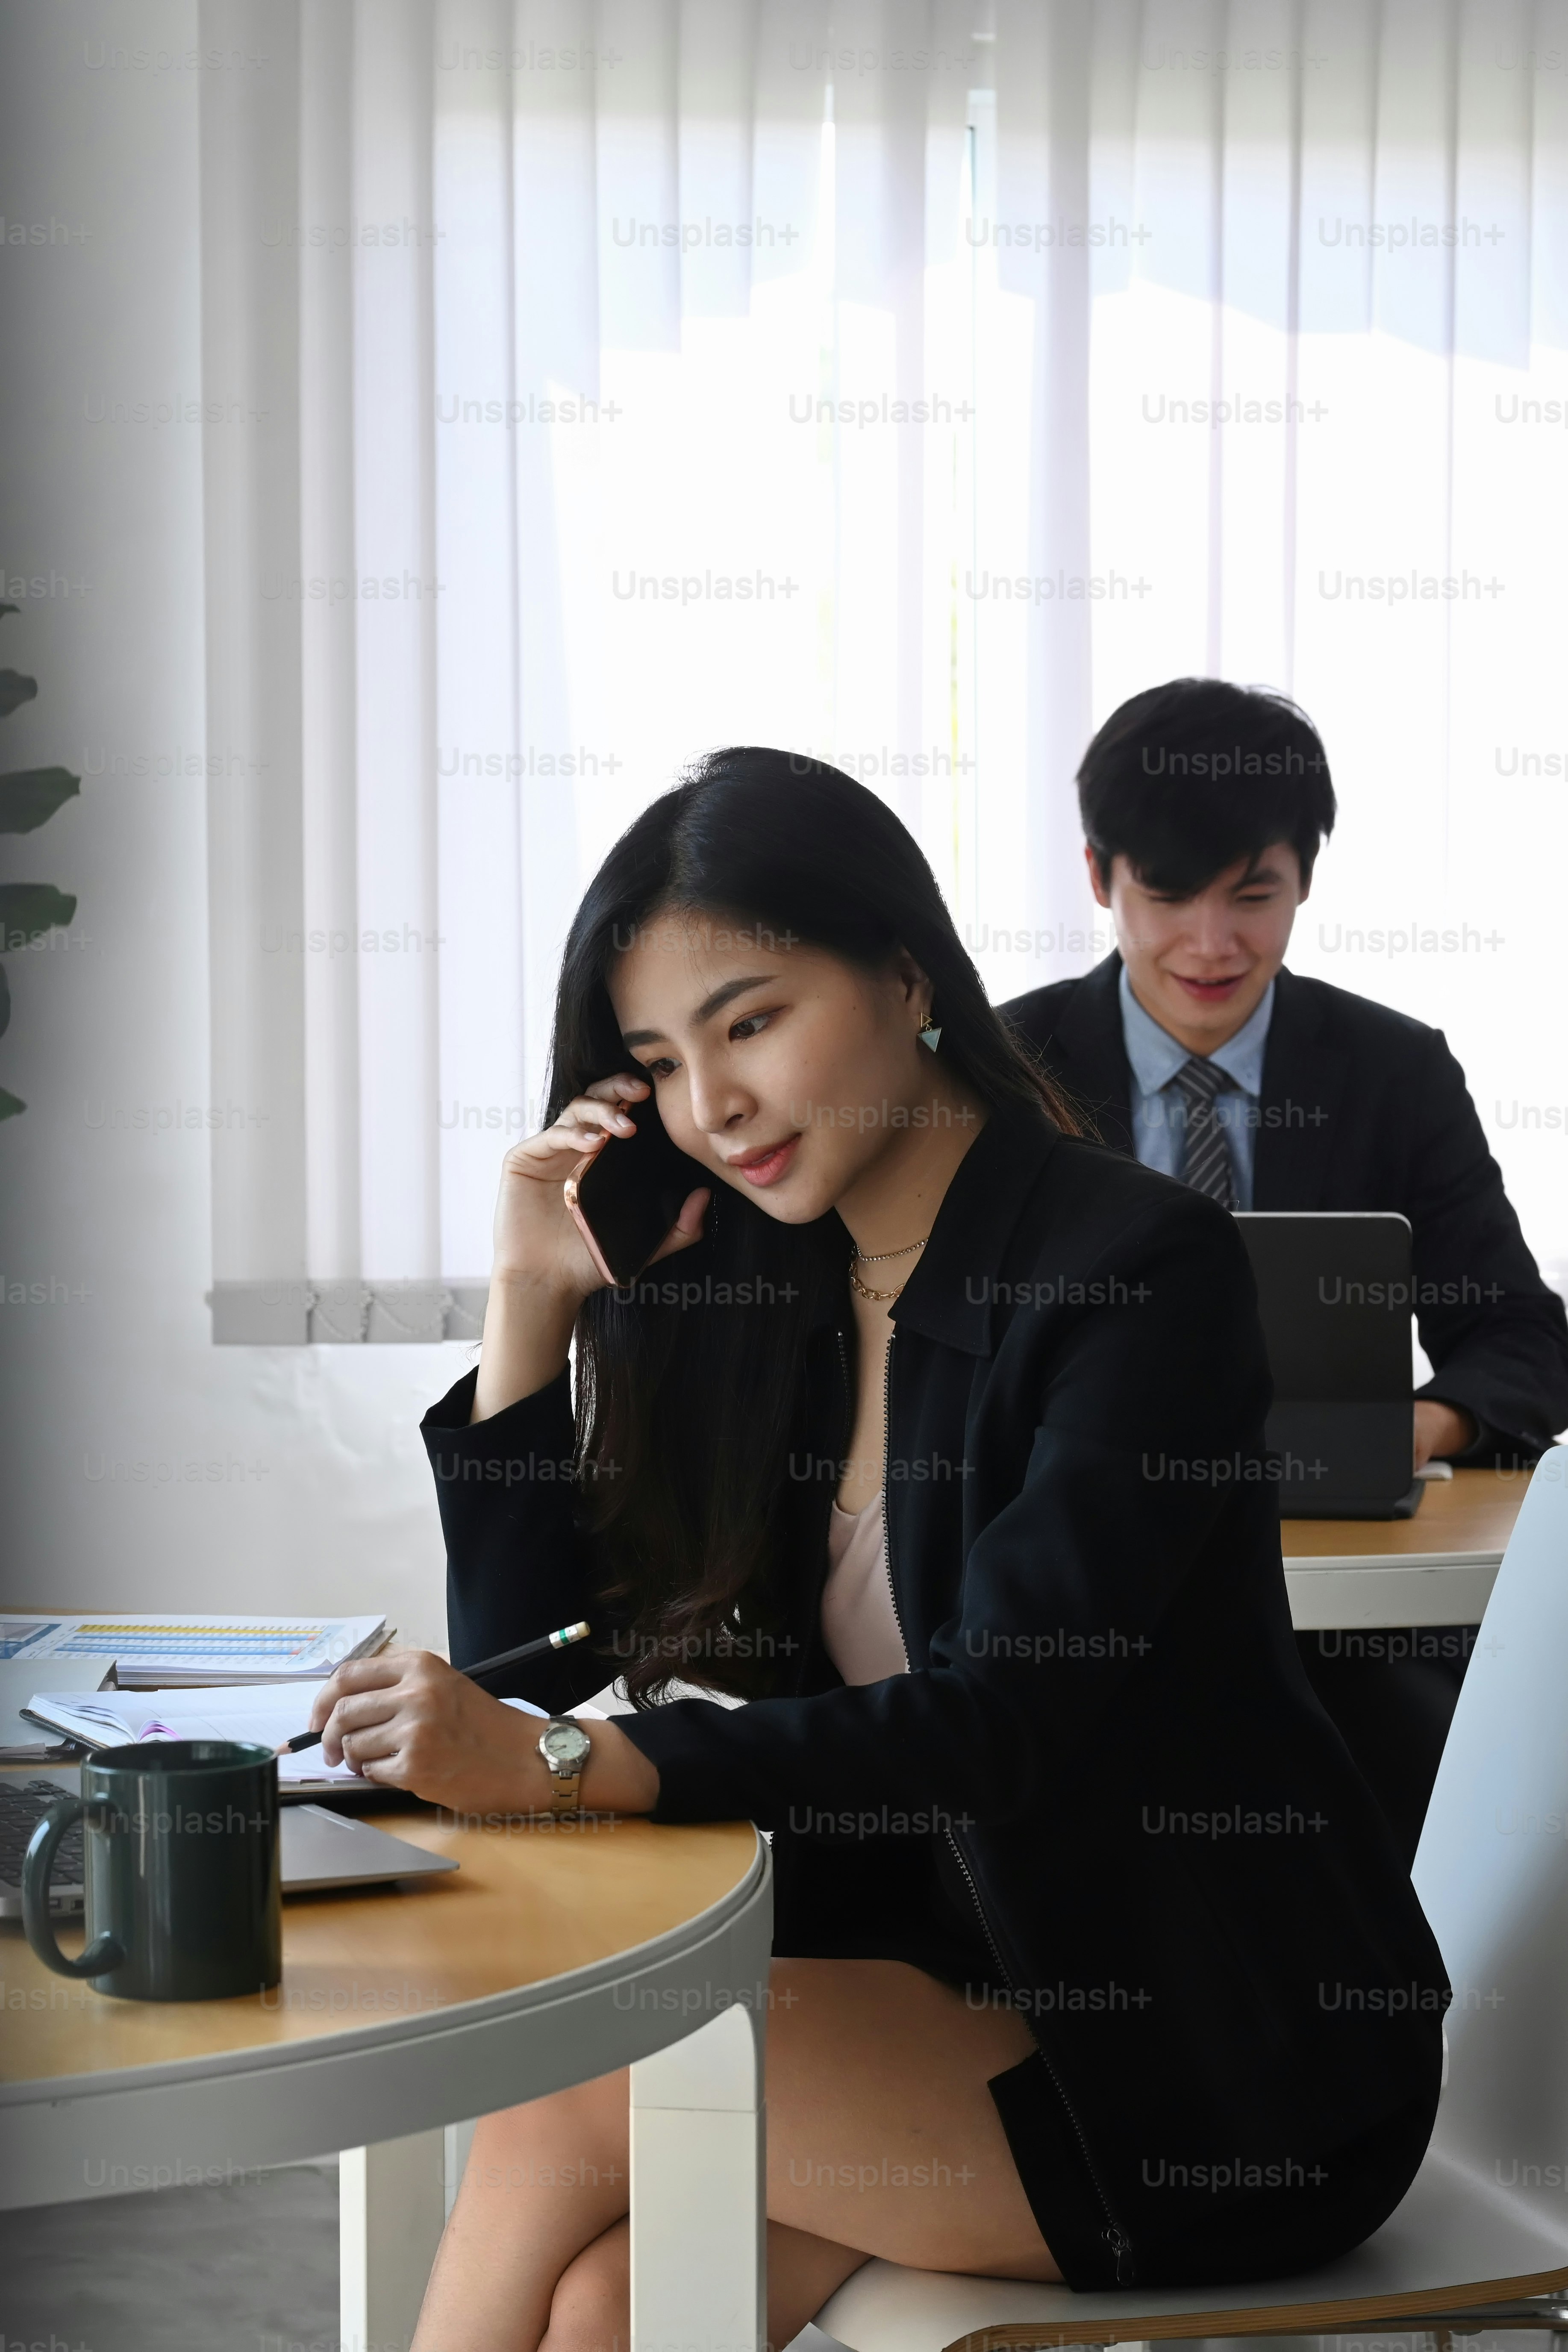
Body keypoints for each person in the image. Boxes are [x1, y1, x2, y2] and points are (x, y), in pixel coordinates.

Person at [308, 750, 1445, 2350]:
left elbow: (1004, 1720)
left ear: (907, 974)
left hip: (1214, 2062)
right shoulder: (786, 1289)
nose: (714, 1108)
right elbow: (548, 1665)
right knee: (605, 2313)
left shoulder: (1135, 1269)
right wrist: (531, 1306)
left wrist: (573, 1766)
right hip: (953, 2002)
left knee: (575, 2085)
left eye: (751, 1022)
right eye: (662, 1062)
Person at [1002, 677, 1568, 1861]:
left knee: (1431, 1810)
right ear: (1100, 876)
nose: (1214, 946)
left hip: (1336, 1607)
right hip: (1076, 1577)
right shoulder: (1010, 1070)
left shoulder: (1394, 1069)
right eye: (1168, 896)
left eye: (1254, 895)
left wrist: (1418, 1429)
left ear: (1305, 878)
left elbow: (1522, 1338)